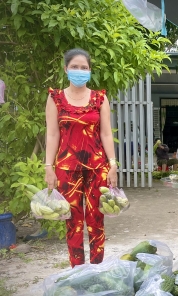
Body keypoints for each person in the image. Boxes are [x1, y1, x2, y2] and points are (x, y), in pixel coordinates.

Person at [45, 48, 117, 268]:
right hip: (67, 169)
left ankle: (97, 271)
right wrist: (48, 166)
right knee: (72, 222)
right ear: (66, 69)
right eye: (74, 67)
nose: (79, 71)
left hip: (97, 168)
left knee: (97, 221)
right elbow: (52, 133)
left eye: (83, 68)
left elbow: (105, 133)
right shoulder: (55, 98)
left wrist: (113, 165)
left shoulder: (99, 98)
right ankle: (78, 273)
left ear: (89, 70)